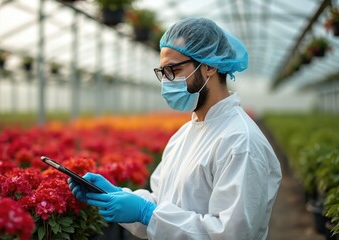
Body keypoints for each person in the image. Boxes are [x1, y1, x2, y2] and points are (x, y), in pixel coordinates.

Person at [69, 17, 282, 240]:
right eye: (163, 72)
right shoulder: (184, 135)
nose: (167, 81)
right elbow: (164, 203)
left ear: (209, 66)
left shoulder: (240, 142)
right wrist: (115, 194)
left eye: (173, 70)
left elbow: (231, 234)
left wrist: (148, 214)